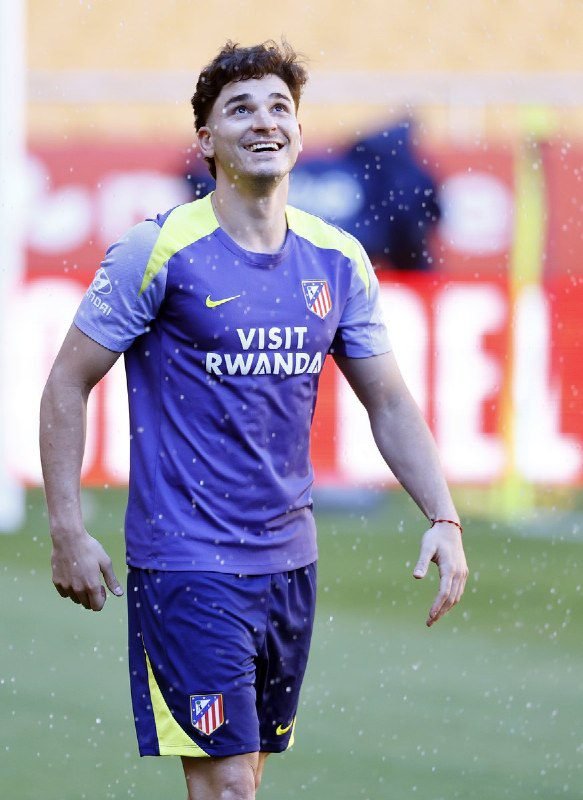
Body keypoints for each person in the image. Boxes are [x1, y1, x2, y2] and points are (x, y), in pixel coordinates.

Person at [40, 40, 468, 800]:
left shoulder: (337, 259)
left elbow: (390, 401)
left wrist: (444, 516)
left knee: (246, 782)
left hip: (289, 565)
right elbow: (66, 384)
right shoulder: (158, 249)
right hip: (185, 562)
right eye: (240, 109)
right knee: (229, 787)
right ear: (206, 140)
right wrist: (67, 531)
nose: (264, 121)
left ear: (299, 133)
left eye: (279, 108)